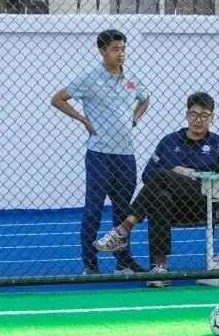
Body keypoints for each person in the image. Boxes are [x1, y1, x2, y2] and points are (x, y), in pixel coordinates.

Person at [93, 92, 219, 287]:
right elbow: (148, 175)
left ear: (212, 117)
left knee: (163, 175)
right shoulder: (169, 141)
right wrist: (174, 174)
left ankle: (123, 229)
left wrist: (193, 174)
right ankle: (160, 268)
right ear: (186, 115)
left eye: (204, 115)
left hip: (203, 202)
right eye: (194, 114)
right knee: (160, 195)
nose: (198, 120)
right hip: (172, 206)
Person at [52, 29, 150, 275]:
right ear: (102, 51)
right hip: (99, 154)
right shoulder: (90, 79)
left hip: (126, 155)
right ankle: (90, 263)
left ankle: (123, 262)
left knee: (123, 210)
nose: (121, 53)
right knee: (93, 210)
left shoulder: (131, 79)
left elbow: (145, 99)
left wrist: (134, 120)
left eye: (123, 49)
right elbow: (58, 99)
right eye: (115, 49)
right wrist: (83, 120)